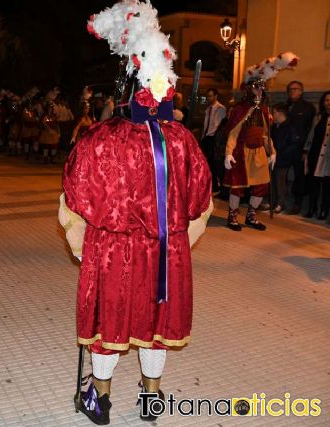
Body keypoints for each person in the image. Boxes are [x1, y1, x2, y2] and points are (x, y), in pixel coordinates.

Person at [60, 2, 213, 423]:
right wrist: (176, 241)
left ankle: (101, 399)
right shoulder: (183, 140)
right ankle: (151, 400)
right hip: (167, 253)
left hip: (111, 253)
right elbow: (202, 204)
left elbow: (73, 204)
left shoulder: (96, 139)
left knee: (108, 325)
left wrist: (81, 249)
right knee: (156, 325)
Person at [223, 52, 297, 231]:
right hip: (241, 152)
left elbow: (265, 135)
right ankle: (232, 217)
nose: (259, 91)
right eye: (256, 87)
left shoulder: (264, 111)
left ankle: (251, 217)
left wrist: (273, 152)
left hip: (258, 153)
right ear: (249, 88)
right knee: (238, 187)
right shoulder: (240, 109)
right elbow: (233, 134)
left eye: (261, 87)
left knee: (261, 186)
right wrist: (228, 153)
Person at [285, 81, 316, 214]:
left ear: (301, 91)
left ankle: (297, 203)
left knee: (300, 176)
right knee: (281, 174)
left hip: (299, 147)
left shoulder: (308, 107)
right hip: (284, 147)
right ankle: (280, 200)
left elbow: (311, 130)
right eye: (290, 89)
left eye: (295, 89)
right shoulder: (284, 106)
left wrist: (306, 149)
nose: (292, 91)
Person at [303, 91, 330, 219]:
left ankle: (324, 211)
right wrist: (306, 151)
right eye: (326, 100)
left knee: (326, 186)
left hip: (328, 158)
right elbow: (311, 136)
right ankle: (311, 208)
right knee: (313, 184)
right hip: (316, 154)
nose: (328, 103)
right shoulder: (318, 117)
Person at [270, 103, 299, 213]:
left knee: (280, 181)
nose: (273, 114)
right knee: (272, 180)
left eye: (274, 112)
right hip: (274, 158)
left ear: (280, 113)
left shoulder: (290, 127)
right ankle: (272, 201)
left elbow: (294, 144)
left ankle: (280, 203)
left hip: (283, 160)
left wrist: (280, 153)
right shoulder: (275, 126)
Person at [201, 88, 227, 193]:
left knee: (214, 163)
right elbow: (206, 124)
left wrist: (217, 138)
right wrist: (203, 136)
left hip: (214, 138)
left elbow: (220, 125)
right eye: (208, 96)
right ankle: (211, 185)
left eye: (211, 96)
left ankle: (216, 186)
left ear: (216, 96)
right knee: (207, 162)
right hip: (207, 137)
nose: (209, 98)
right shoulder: (208, 109)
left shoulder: (220, 108)